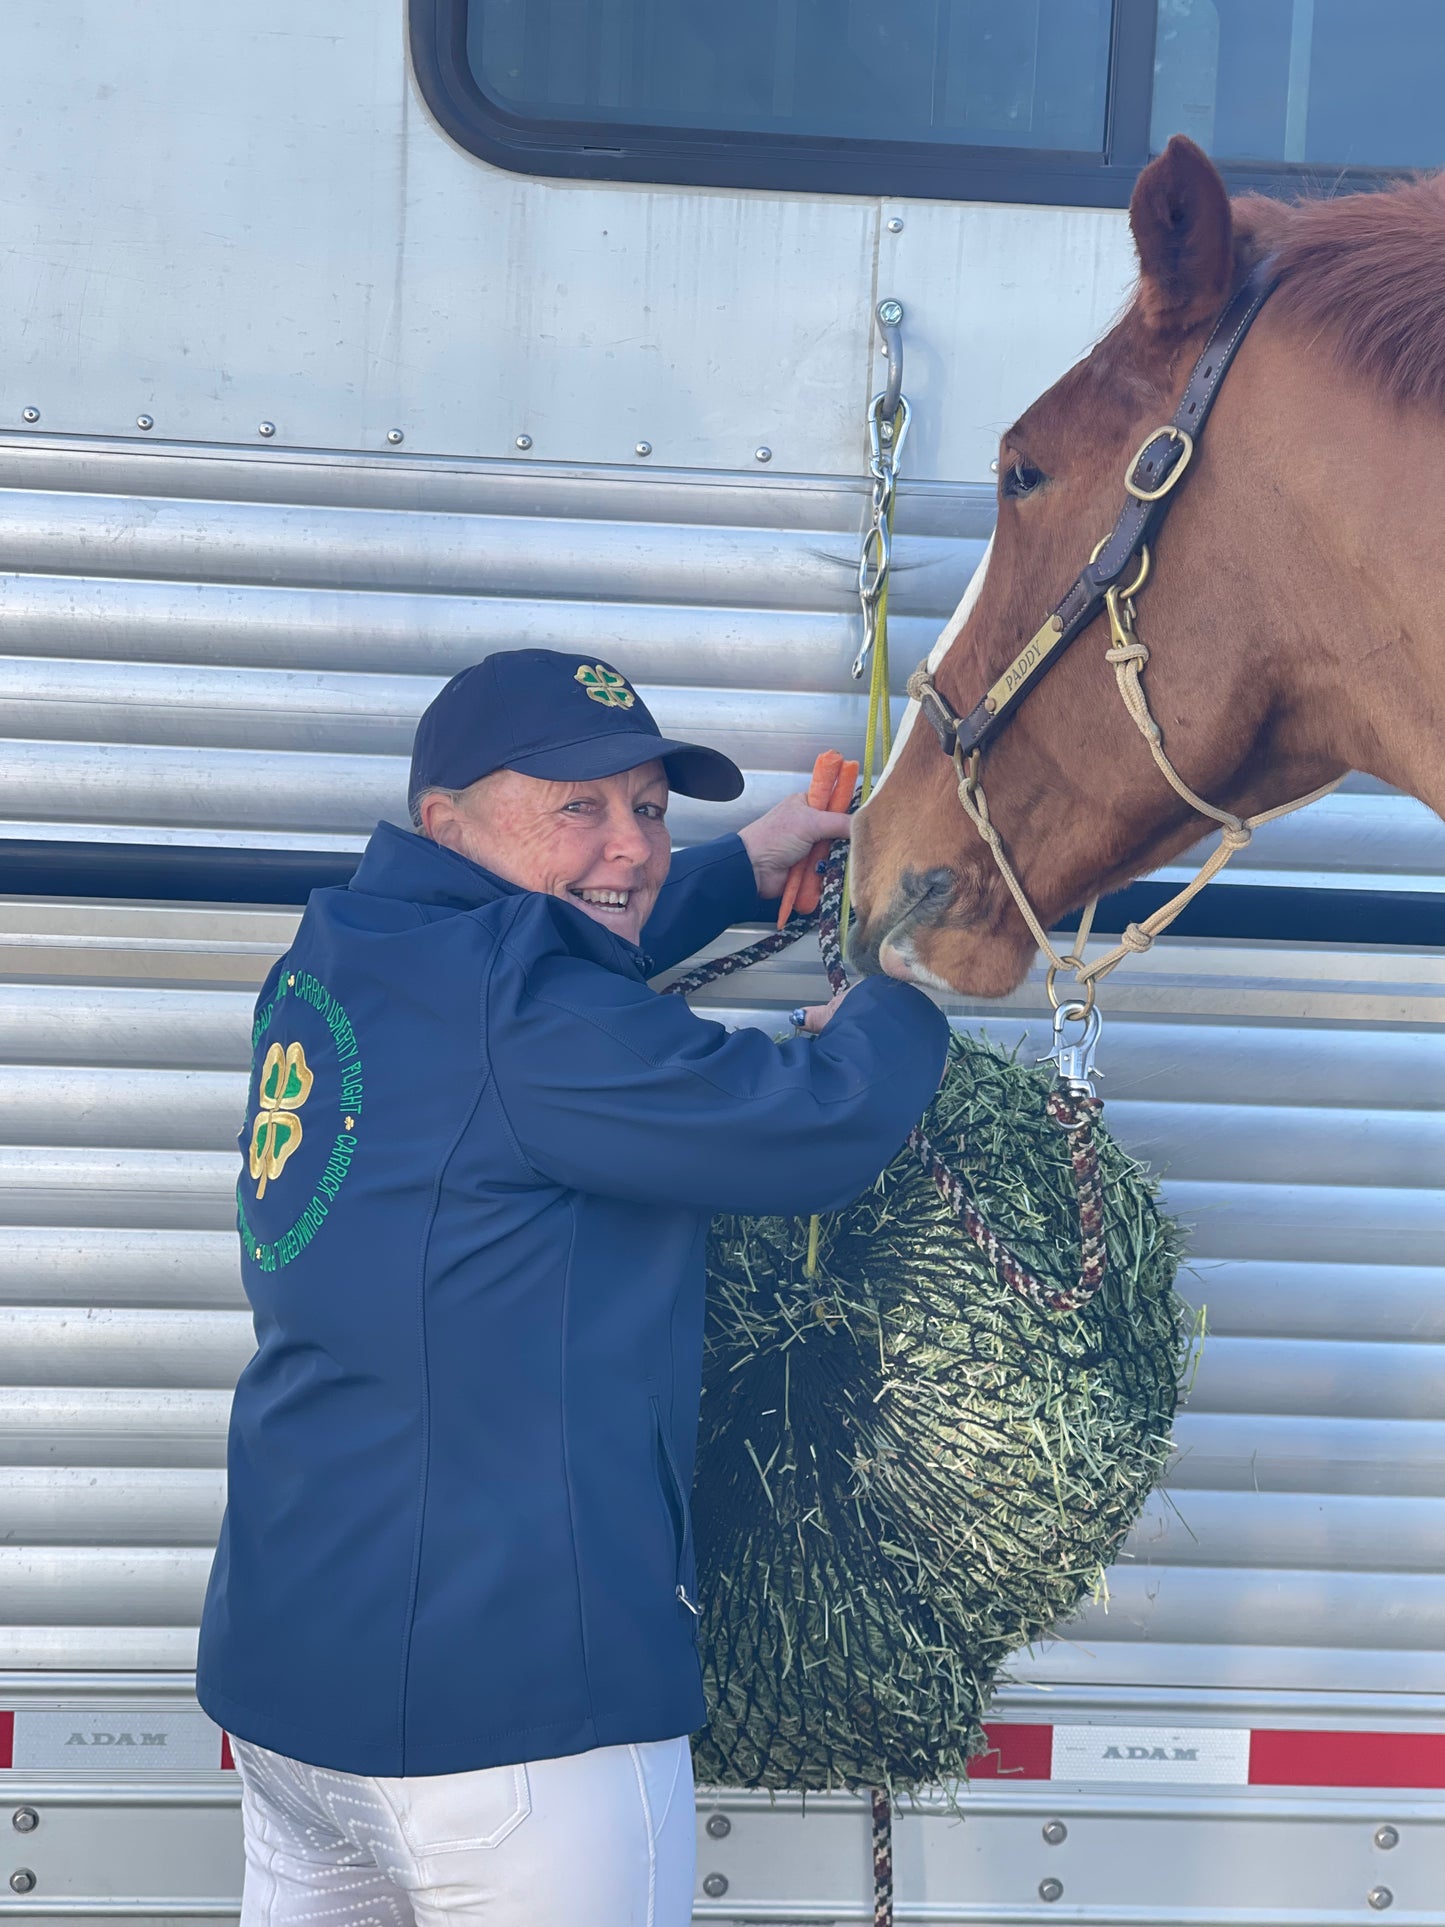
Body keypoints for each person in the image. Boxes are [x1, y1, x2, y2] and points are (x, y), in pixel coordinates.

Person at [197, 648, 950, 1926]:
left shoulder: (341, 955)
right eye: (577, 807)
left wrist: (741, 865)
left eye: (650, 809)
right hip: (512, 1719)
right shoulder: (535, 1016)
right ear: (446, 820)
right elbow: (811, 1126)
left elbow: (536, 950)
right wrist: (901, 991)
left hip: (291, 1689)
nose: (634, 846)